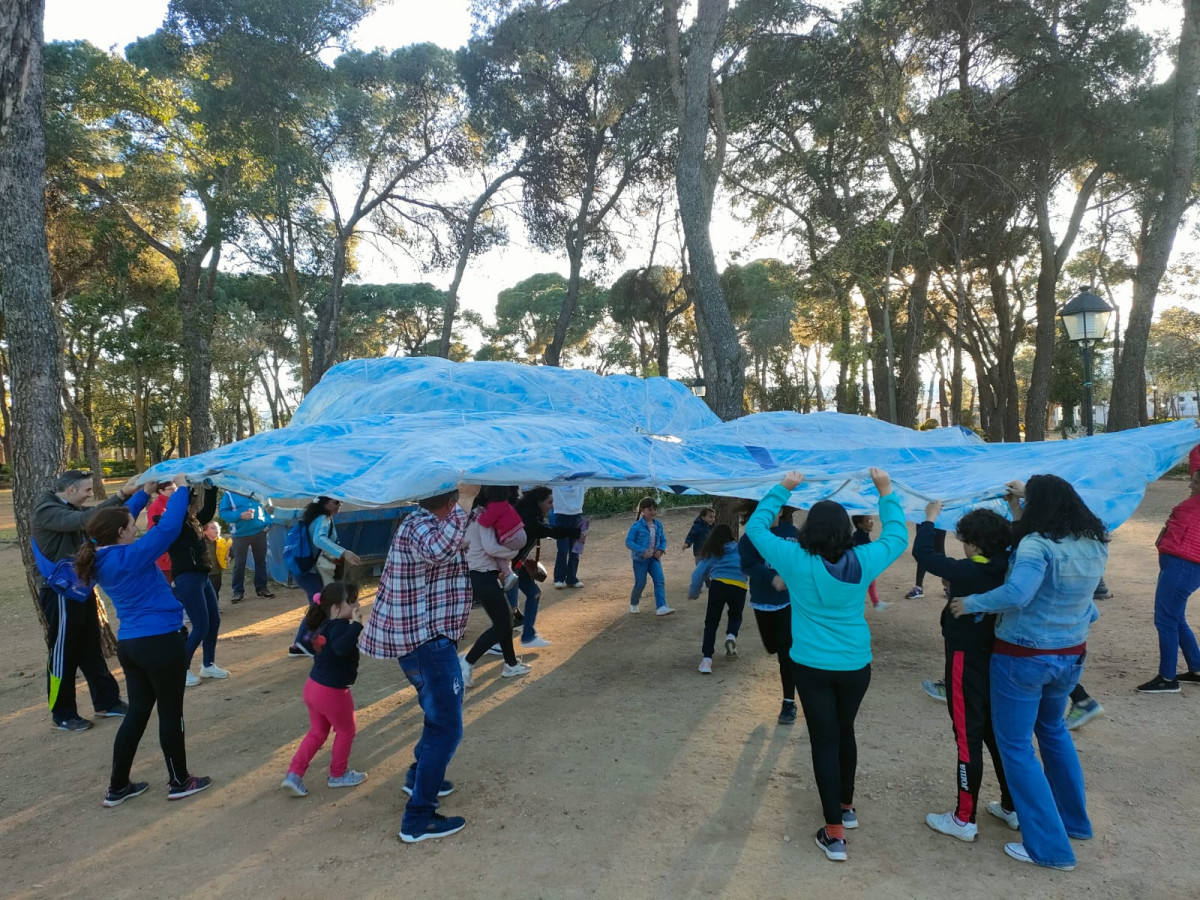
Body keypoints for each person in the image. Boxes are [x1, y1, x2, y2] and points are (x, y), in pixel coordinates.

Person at [746, 468, 907, 863]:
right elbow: (898, 537)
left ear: (808, 529)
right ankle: (846, 810)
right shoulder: (864, 559)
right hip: (855, 665)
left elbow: (755, 527)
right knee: (844, 731)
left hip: (811, 666)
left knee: (824, 739)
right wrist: (885, 491)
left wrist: (783, 488)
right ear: (846, 531)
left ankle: (834, 833)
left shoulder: (794, 559)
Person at [949, 474, 1108, 871]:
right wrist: (1022, 501)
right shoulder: (1092, 542)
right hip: (1070, 655)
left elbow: (1018, 593)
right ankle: (1074, 823)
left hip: (1023, 657)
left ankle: (1049, 848)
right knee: (1052, 733)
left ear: (1039, 506)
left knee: (1016, 746)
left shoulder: (1036, 546)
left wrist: (971, 603)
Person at [74, 473, 212, 806]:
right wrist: (179, 490)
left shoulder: (102, 553)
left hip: (133, 646)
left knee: (138, 712)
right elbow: (166, 531)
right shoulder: (129, 556)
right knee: (170, 712)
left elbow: (113, 525)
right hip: (160, 643)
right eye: (131, 525)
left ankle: (118, 786)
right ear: (120, 534)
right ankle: (179, 781)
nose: (136, 527)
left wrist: (143, 494)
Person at [359, 487, 472, 843]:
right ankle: (418, 819)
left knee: (436, 717)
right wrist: (468, 501)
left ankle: (416, 776)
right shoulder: (419, 525)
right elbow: (438, 550)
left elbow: (447, 548)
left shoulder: (428, 523)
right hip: (427, 646)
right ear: (451, 500)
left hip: (428, 643)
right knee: (447, 728)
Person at [912, 500, 1016, 842]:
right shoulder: (1005, 564)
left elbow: (924, 555)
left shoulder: (968, 570)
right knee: (995, 735)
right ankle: (1012, 805)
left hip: (963, 660)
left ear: (972, 543)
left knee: (967, 736)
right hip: (994, 659)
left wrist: (928, 519)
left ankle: (963, 818)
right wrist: (1016, 507)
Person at [32, 469, 140, 731]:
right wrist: (124, 493)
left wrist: (140, 494)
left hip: (79, 588)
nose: (90, 494)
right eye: (87, 490)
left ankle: (107, 702)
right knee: (63, 653)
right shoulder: (47, 510)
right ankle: (63, 713)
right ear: (70, 490)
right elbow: (88, 520)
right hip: (59, 593)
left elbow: (96, 518)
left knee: (90, 646)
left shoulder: (65, 504)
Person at [281, 582, 368, 796]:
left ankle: (294, 774)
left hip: (313, 687)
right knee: (346, 730)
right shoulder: (342, 627)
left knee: (317, 732)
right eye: (352, 601)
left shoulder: (322, 625)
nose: (357, 604)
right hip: (333, 692)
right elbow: (340, 648)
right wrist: (356, 625)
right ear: (337, 608)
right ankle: (338, 775)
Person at [1137, 444, 1200, 693]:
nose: (1190, 485)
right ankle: (1197, 667)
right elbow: (1197, 464)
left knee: (1165, 620)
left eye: (1195, 483)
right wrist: (1196, 439)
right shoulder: (1195, 499)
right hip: (1179, 565)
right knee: (1176, 618)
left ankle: (1167, 678)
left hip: (1185, 566)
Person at [460, 487, 532, 686]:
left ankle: (510, 664)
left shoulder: (477, 515)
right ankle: (467, 662)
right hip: (482, 575)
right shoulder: (484, 519)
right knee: (503, 623)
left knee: (504, 619)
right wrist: (514, 552)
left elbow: (470, 543)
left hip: (482, 574)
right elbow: (491, 548)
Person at [739, 500, 799, 724]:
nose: (770, 514)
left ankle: (788, 703)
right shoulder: (751, 536)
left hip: (788, 601)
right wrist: (771, 577)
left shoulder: (792, 533)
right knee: (771, 647)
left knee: (786, 652)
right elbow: (747, 565)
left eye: (775, 509)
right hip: (762, 601)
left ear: (782, 511)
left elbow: (802, 559)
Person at [167, 485, 228, 687]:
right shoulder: (172, 524)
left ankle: (208, 664)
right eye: (190, 500)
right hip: (187, 578)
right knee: (200, 626)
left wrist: (210, 489)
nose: (193, 504)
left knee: (214, 620)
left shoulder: (193, 521)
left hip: (202, 575)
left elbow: (208, 510)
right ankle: (180, 670)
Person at [505, 487, 580, 648]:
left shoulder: (530, 514)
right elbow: (548, 531)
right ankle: (497, 643)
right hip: (507, 567)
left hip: (516, 564)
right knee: (510, 608)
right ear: (538, 502)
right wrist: (574, 532)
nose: (552, 506)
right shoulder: (528, 517)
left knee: (534, 594)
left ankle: (528, 636)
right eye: (549, 502)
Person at [288, 497, 363, 658]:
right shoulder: (323, 518)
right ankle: (305, 643)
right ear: (325, 504)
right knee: (322, 606)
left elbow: (288, 514)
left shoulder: (312, 516)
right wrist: (344, 552)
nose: (339, 505)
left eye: (340, 501)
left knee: (319, 605)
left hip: (305, 570)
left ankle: (301, 644)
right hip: (311, 572)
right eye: (336, 502)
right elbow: (319, 539)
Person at [687, 523, 746, 674]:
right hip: (739, 585)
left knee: (711, 623)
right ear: (731, 535)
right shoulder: (740, 548)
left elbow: (698, 574)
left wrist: (694, 592)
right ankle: (731, 636)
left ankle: (707, 660)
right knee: (735, 615)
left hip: (718, 585)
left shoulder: (713, 552)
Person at [218, 491, 275, 603]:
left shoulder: (258, 490)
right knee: (239, 563)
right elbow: (223, 513)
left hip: (259, 532)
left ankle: (262, 588)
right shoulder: (229, 493)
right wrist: (240, 515)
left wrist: (268, 525)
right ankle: (238, 592)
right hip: (240, 535)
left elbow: (269, 509)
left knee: (261, 561)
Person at [626, 497, 673, 616]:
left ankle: (661, 606)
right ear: (642, 510)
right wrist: (642, 551)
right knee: (640, 583)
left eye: (655, 509)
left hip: (654, 559)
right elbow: (629, 542)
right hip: (640, 560)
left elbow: (663, 540)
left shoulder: (658, 525)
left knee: (660, 580)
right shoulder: (636, 526)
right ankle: (634, 602)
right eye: (650, 509)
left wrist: (661, 550)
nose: (653, 512)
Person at [476, 488, 526, 590]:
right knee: (502, 554)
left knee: (496, 553)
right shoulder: (505, 504)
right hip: (521, 534)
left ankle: (508, 574)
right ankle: (507, 572)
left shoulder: (495, 506)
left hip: (512, 537)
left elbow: (485, 522)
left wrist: (480, 516)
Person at [852, 515, 890, 612]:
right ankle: (875, 603)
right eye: (867, 520)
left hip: (862, 566)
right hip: (860, 567)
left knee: (870, 583)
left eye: (871, 519)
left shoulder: (862, 534)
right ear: (860, 524)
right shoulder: (859, 536)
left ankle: (876, 603)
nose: (871, 522)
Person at [551, 484, 587, 588]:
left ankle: (572, 578)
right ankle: (559, 578)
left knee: (575, 549)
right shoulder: (557, 480)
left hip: (577, 516)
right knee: (562, 549)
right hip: (561, 515)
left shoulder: (580, 481)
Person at [146, 481, 177, 584]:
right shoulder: (156, 507)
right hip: (165, 554)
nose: (174, 491)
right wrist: (164, 551)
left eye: (175, 488)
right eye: (171, 489)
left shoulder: (175, 502)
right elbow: (153, 530)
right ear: (161, 491)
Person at [905, 527, 947, 598]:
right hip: (922, 519)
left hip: (938, 520)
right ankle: (918, 587)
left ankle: (948, 586)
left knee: (939, 550)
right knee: (922, 550)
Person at [204, 521, 231, 600]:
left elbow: (230, 553)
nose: (217, 529)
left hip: (217, 571)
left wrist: (228, 558)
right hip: (207, 572)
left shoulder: (221, 542)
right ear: (205, 531)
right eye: (213, 528)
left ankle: (215, 607)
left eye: (218, 527)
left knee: (216, 589)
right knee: (210, 592)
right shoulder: (201, 543)